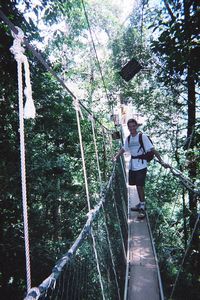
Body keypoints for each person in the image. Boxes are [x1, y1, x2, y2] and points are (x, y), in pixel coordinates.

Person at [113, 118, 169, 217]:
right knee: (136, 185)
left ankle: (142, 208)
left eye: (133, 126)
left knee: (139, 185)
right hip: (133, 165)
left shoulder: (142, 137)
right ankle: (140, 203)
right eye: (130, 127)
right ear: (128, 128)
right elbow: (123, 149)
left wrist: (162, 162)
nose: (132, 128)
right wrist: (116, 157)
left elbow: (152, 150)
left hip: (142, 165)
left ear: (136, 126)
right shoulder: (129, 138)